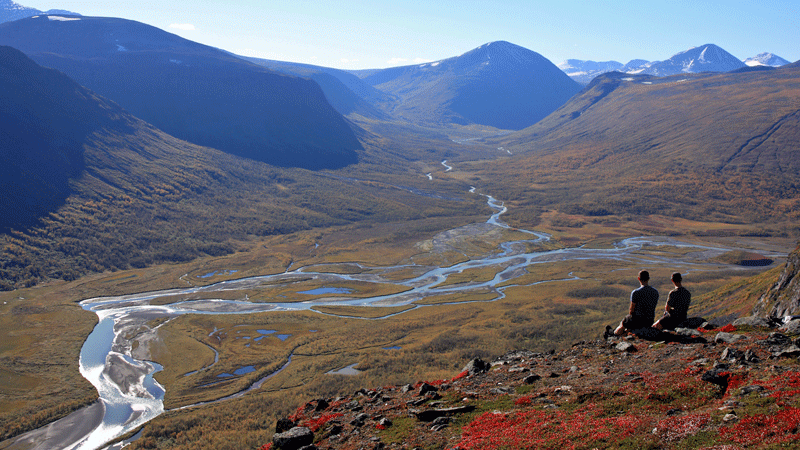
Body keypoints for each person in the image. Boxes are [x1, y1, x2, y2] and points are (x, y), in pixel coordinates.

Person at [614, 270, 659, 336]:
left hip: (637, 321)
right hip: (649, 320)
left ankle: (615, 334)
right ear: (648, 279)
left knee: (624, 322)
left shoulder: (636, 292)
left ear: (638, 279)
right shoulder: (655, 292)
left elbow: (631, 310)